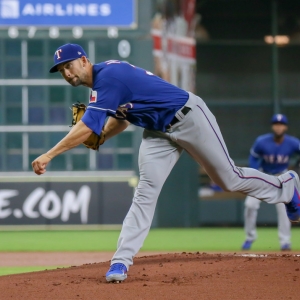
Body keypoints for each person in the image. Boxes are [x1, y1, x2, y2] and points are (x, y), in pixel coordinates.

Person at [32, 44, 300, 283]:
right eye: (61, 70)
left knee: (228, 178)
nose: (66, 73)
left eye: (68, 66)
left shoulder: (108, 78)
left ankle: (286, 185)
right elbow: (122, 120)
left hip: (188, 117)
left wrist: (49, 155)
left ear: (83, 60)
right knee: (145, 192)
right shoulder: (101, 88)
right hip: (157, 133)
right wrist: (101, 136)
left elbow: (89, 124)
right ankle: (121, 261)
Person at [241, 114, 300, 251]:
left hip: (281, 179)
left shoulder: (292, 142)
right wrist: (255, 174)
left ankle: (285, 241)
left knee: (284, 210)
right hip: (264, 176)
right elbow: (254, 158)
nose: (278, 127)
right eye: (276, 124)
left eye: (281, 124)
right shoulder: (262, 141)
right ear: (272, 126)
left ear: (285, 127)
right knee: (250, 205)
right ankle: (250, 237)